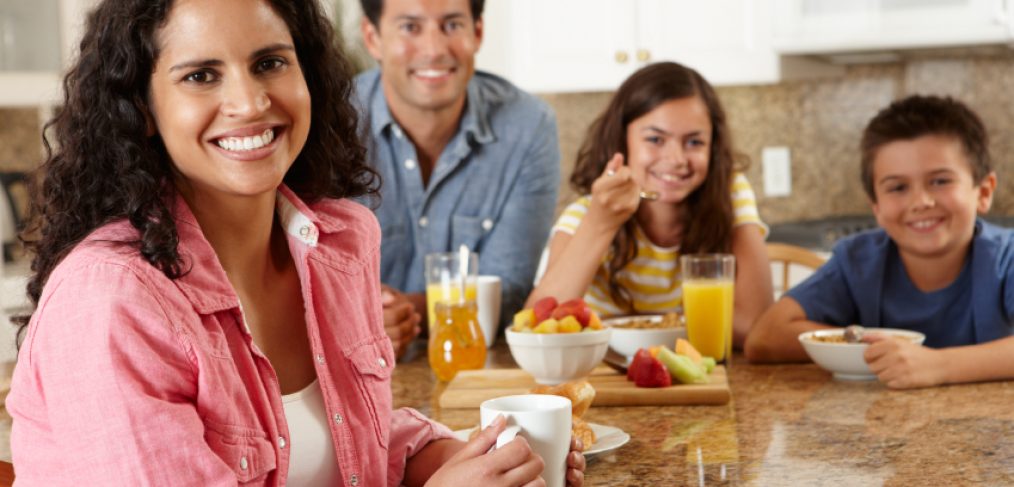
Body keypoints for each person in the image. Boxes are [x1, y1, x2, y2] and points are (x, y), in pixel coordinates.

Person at [5, 0, 585, 485]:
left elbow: (350, 444)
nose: (251, 102)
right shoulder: (110, 303)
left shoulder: (337, 241)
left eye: (269, 63)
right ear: (143, 109)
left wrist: (481, 461)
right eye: (201, 75)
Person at [744, 95, 1014, 389]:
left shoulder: (1006, 258)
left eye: (940, 181)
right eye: (898, 187)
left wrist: (938, 366)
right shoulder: (857, 262)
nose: (921, 202)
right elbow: (765, 337)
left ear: (984, 191)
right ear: (876, 207)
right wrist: (870, 347)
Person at [356, 0, 561, 358]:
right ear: (373, 38)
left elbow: (507, 294)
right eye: (410, 27)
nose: (434, 50)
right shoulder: (326, 125)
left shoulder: (528, 127)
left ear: (477, 32)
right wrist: (357, 318)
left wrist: (400, 314)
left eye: (452, 25)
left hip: (477, 374)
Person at [526, 62, 773, 348]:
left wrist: (647, 333)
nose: (677, 158)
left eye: (694, 142)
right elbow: (536, 329)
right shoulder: (585, 215)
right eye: (655, 139)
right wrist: (601, 223)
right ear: (622, 140)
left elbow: (753, 325)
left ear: (713, 147)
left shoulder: (730, 193)